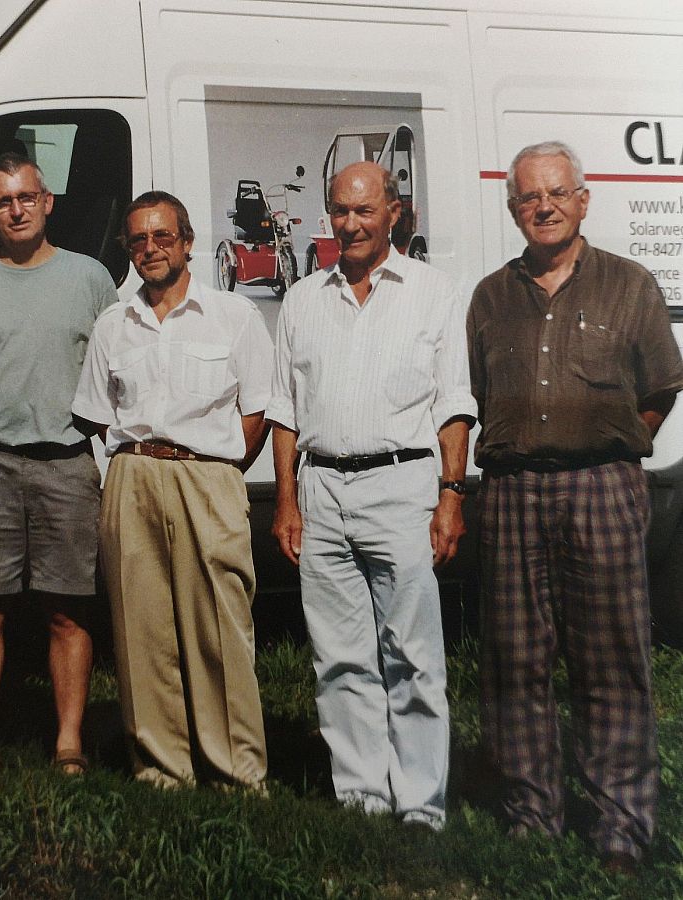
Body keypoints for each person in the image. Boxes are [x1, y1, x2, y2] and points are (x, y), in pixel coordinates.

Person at [468, 141, 683, 873]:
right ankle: (534, 814)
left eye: (558, 193)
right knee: (517, 661)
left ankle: (621, 823)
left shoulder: (630, 285)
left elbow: (659, 389)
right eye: (530, 197)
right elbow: (480, 392)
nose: (545, 206)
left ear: (583, 200)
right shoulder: (491, 297)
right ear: (513, 208)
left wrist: (613, 445)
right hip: (513, 492)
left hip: (603, 487)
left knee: (611, 659)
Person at [268, 162, 475, 831]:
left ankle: (420, 805)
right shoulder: (303, 299)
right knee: (340, 656)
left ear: (395, 213)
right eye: (339, 211)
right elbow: (285, 412)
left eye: (364, 211)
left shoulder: (434, 293)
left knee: (412, 654)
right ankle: (361, 798)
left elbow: (453, 406)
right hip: (322, 488)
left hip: (402, 485)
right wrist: (287, 502)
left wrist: (451, 495)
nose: (350, 224)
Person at [72, 191, 272, 790]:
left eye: (163, 236)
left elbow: (257, 412)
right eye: (138, 240)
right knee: (142, 628)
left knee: (220, 626)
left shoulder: (234, 317)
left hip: (208, 476)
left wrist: (219, 469)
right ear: (128, 251)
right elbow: (97, 414)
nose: (151, 249)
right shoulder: (113, 325)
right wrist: (134, 463)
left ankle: (236, 771)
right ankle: (162, 769)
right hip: (133, 475)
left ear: (187, 242)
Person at [0, 152, 117, 776]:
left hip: (66, 464)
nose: (17, 209)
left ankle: (68, 743)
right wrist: (0, 417)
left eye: (26, 197)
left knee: (69, 611)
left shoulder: (90, 279)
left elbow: (114, 368)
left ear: (48, 202)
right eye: (3, 201)